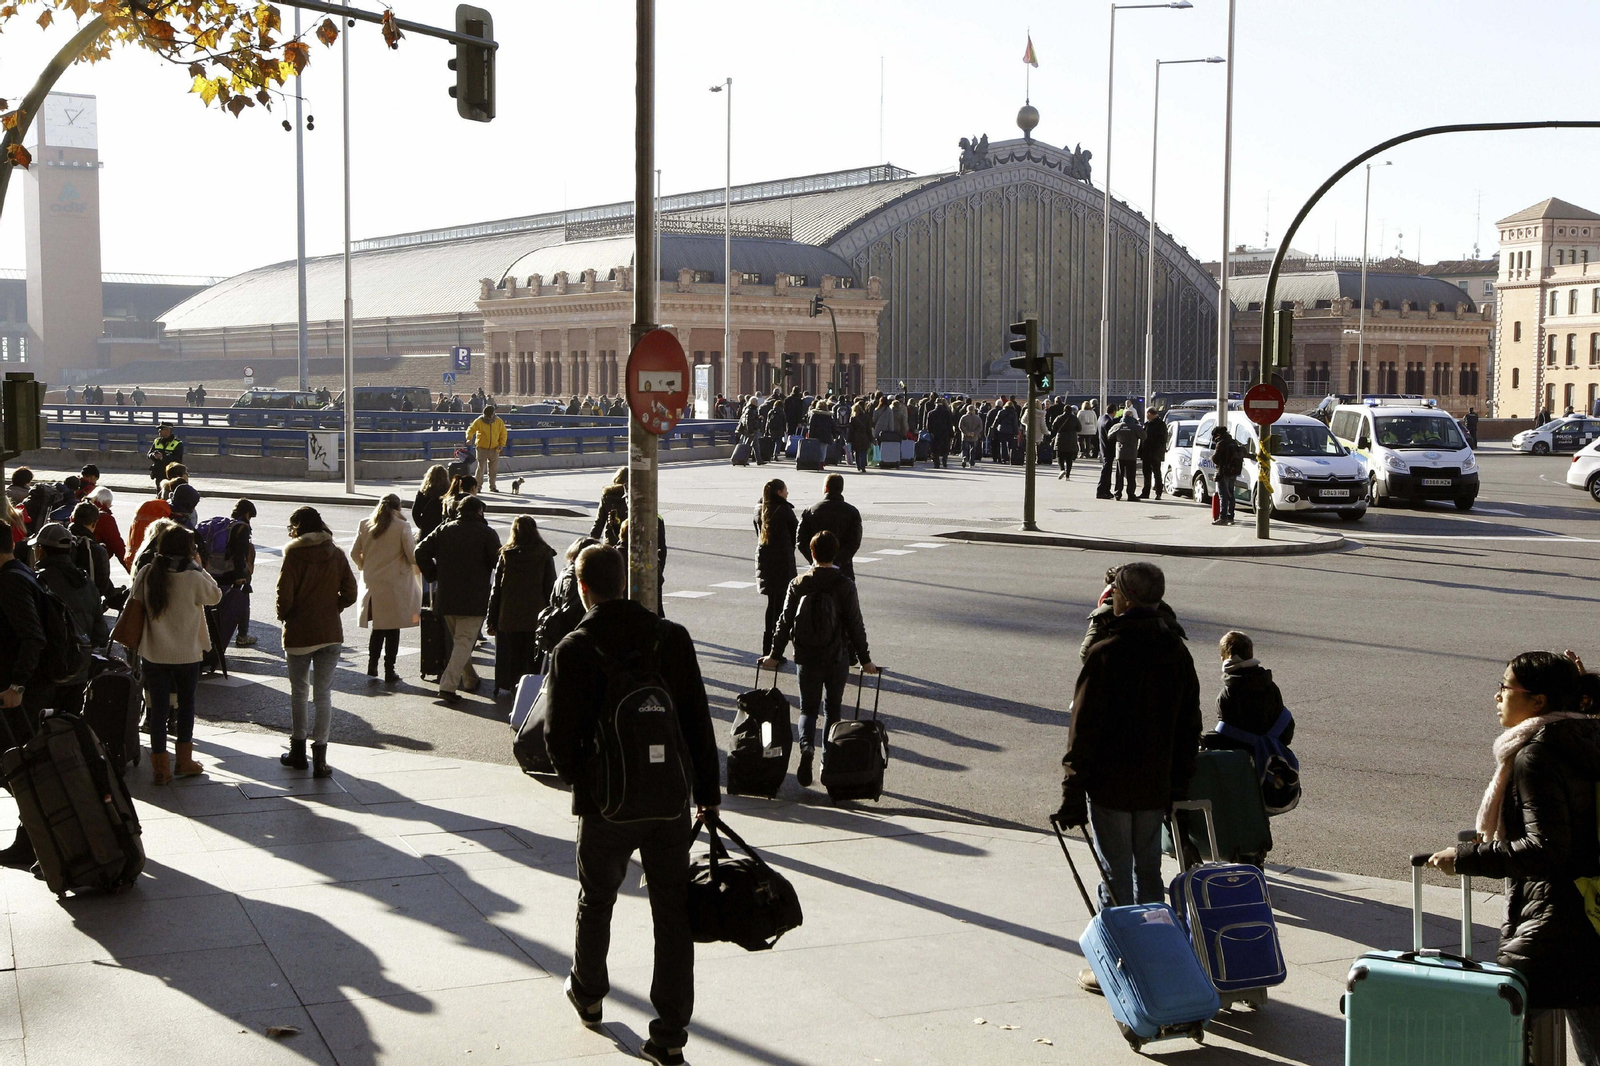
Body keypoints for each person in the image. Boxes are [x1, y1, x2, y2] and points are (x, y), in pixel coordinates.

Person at [543, 544, 722, 1066]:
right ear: (625, 582)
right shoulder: (672, 638)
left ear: (582, 589)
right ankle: (668, 1033)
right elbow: (696, 723)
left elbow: (557, 738)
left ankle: (590, 993)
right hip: (669, 803)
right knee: (672, 915)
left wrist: (589, 786)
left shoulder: (574, 648)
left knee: (596, 899)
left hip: (607, 805)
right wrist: (706, 796)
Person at [1427, 652, 1600, 1058]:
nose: (1497, 696)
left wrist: (1467, 857)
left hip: (1558, 917)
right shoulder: (1588, 736)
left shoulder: (1536, 754)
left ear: (1538, 701)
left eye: (1506, 687)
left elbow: (1545, 849)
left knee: (1500, 1036)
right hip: (1590, 912)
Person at [1058, 561, 1200, 976]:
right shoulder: (1176, 652)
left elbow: (1082, 733)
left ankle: (1117, 968)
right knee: (1149, 873)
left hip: (1111, 786)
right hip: (1154, 785)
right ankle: (1156, 959)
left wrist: (1071, 792)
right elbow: (1188, 725)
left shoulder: (1106, 654)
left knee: (1115, 877)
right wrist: (1179, 783)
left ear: (1123, 598)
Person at [761, 530, 879, 787]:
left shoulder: (799, 583)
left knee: (807, 709)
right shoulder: (845, 584)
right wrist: (865, 659)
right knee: (832, 709)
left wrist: (774, 654)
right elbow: (856, 625)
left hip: (806, 656)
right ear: (835, 553)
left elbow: (784, 622)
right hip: (837, 656)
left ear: (812, 553)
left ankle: (806, 749)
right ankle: (828, 760)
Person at [131, 525, 222, 785]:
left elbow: (134, 600)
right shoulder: (193, 576)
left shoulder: (149, 572)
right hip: (187, 654)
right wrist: (199, 566)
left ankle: (160, 769)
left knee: (158, 709)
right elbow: (215, 596)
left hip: (154, 652)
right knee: (186, 706)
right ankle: (184, 761)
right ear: (188, 549)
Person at [275, 507, 358, 778]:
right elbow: (351, 592)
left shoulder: (294, 555)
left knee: (299, 693)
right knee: (323, 695)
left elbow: (284, 596)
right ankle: (320, 758)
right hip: (330, 632)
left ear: (297, 527)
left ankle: (298, 751)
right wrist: (333, 607)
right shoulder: (335, 553)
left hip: (300, 632)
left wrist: (285, 614)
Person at [415, 495, 501, 704]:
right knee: (463, 642)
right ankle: (448, 686)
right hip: (474, 596)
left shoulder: (445, 529)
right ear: (480, 511)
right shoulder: (487, 533)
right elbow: (497, 563)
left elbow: (420, 550)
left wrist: (433, 574)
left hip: (447, 596)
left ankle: (470, 679)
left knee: (460, 642)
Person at [351, 495, 422, 685]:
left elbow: (353, 552)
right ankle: (389, 670)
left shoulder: (365, 523)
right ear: (398, 507)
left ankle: (372, 664)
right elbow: (412, 556)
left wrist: (364, 566)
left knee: (379, 626)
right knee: (393, 627)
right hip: (395, 583)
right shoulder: (402, 527)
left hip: (373, 582)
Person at [486, 515, 558, 694]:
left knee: (514, 657)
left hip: (509, 616)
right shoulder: (544, 553)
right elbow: (550, 588)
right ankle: (532, 691)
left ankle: (514, 690)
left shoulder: (506, 555)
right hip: (536, 616)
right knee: (535, 658)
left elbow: (497, 591)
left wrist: (491, 620)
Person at [32, 523, 107, 656]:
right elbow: (100, 633)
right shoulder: (86, 580)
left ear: (41, 550)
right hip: (80, 664)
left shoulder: (38, 582)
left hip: (47, 666)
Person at [754, 479, 798, 658]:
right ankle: (775, 651)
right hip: (782, 562)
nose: (787, 493)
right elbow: (796, 533)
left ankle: (767, 648)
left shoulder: (759, 509)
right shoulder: (784, 510)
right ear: (779, 492)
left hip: (764, 560)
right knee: (781, 607)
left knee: (772, 604)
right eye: (786, 490)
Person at [537, 536, 601, 654]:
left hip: (561, 634)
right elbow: (573, 611)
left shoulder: (565, 573)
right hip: (572, 637)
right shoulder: (575, 578)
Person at [796, 473, 863, 581]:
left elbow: (800, 540)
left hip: (817, 568)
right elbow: (854, 542)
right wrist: (838, 562)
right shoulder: (852, 512)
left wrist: (814, 560)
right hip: (843, 569)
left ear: (826, 488)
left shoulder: (810, 510)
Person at [466, 403, 508, 492]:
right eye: (486, 416)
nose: (488, 418)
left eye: (490, 416)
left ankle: (492, 486)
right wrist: (469, 438)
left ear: (493, 414)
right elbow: (471, 429)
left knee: (493, 469)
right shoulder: (479, 421)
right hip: (481, 448)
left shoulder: (499, 421)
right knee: (481, 468)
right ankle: (478, 487)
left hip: (495, 448)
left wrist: (501, 444)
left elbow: (503, 433)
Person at [1211, 426, 1245, 526]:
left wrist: (1212, 458)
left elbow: (1216, 458)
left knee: (1223, 495)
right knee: (1231, 494)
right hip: (1233, 472)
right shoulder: (1233, 441)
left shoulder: (1221, 443)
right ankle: (1231, 516)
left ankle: (1223, 517)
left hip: (1223, 472)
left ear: (1217, 435)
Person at [1110, 409, 1146, 502]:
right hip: (1131, 453)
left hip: (1120, 453)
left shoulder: (1117, 426)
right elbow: (1144, 436)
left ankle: (1117, 493)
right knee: (1131, 475)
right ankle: (1130, 494)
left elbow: (1109, 436)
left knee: (1119, 474)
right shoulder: (1135, 427)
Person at [412, 464, 450, 543]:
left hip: (426, 528)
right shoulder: (448, 492)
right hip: (443, 528)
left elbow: (415, 512)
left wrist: (422, 525)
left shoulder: (423, 492)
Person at [591, 467, 629, 541]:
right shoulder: (632, 496)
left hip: (610, 541)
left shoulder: (607, 496)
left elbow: (599, 522)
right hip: (627, 539)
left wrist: (591, 541)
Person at [1139, 406, 1168, 500]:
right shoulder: (1147, 424)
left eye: (1147, 414)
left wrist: (1157, 450)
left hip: (1155, 453)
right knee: (1146, 473)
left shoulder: (1160, 424)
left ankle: (1158, 492)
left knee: (1156, 473)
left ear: (1150, 414)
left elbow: (1162, 439)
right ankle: (1145, 492)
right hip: (1146, 453)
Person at [1051, 404, 1078, 480]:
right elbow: (1079, 428)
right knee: (1069, 458)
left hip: (1060, 438)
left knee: (1060, 456)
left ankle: (1062, 469)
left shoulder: (1059, 418)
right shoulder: (1074, 418)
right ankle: (1068, 476)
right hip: (1071, 440)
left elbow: (1053, 427)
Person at [926, 398, 953, 469]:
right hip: (945, 433)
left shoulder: (931, 413)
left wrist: (930, 432)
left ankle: (936, 463)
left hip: (935, 433)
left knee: (935, 449)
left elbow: (928, 426)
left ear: (935, 403)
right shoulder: (946, 412)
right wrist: (951, 433)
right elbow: (949, 424)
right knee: (945, 449)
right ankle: (944, 462)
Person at [848, 399, 875, 473]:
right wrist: (871, 438)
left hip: (855, 437)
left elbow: (851, 430)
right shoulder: (866, 417)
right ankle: (863, 466)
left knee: (857, 452)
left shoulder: (853, 418)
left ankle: (858, 466)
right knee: (863, 452)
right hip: (864, 436)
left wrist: (849, 439)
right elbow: (868, 429)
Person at [958, 402, 985, 469]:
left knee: (965, 448)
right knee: (973, 449)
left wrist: (966, 432)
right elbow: (980, 427)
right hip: (974, 437)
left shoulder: (964, 417)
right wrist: (974, 433)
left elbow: (960, 426)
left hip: (965, 436)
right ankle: (972, 462)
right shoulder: (977, 418)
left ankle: (964, 457)